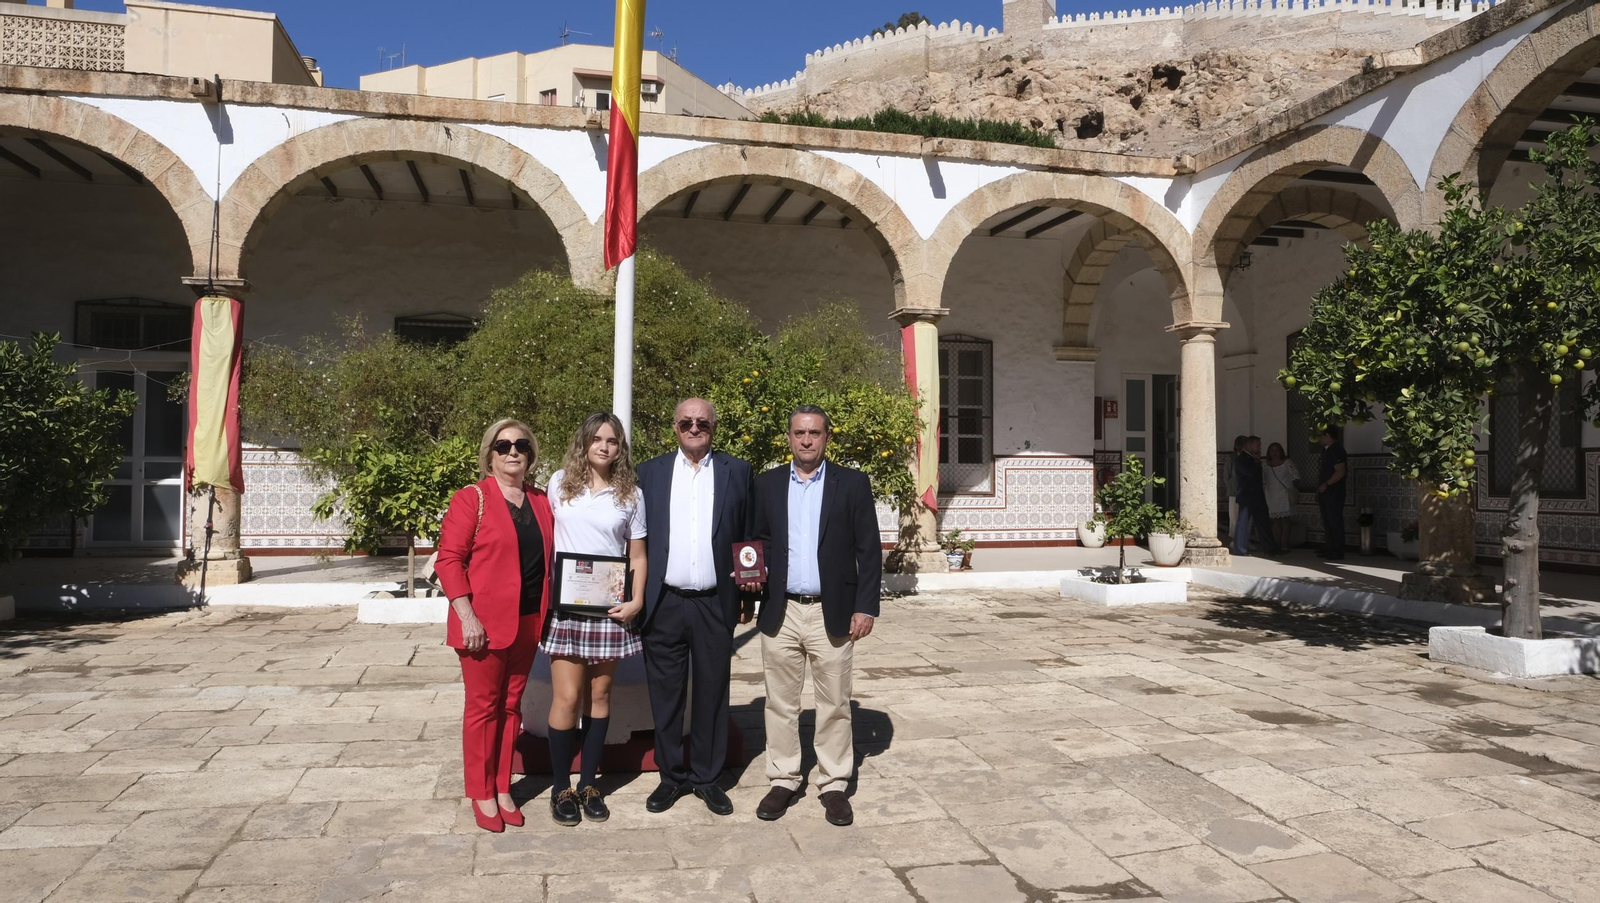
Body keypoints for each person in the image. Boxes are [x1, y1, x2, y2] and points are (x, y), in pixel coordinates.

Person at [745, 405, 882, 827]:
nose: (807, 440)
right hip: (781, 611)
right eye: (799, 432)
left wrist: (866, 606)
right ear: (788, 437)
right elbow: (756, 541)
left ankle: (834, 783)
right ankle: (784, 778)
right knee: (781, 703)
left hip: (833, 612)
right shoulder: (766, 484)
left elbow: (869, 549)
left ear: (826, 438)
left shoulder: (852, 484)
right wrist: (750, 581)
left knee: (834, 704)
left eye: (815, 433)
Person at [635, 398, 755, 817]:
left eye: (702, 421)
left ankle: (707, 777)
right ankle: (671, 777)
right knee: (665, 697)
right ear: (674, 427)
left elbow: (748, 538)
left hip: (714, 603)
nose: (694, 426)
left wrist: (748, 595)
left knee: (711, 694)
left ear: (714, 427)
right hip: (663, 602)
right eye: (686, 421)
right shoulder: (648, 473)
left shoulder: (737, 471)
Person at [435, 419, 555, 833]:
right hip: (482, 625)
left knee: (511, 707)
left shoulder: (540, 501)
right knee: (483, 708)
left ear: (531, 453)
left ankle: (503, 787)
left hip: (528, 620)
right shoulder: (472, 498)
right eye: (503, 446)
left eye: (521, 444)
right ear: (489, 454)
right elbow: (448, 559)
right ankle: (481, 792)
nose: (512, 452)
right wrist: (466, 614)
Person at [541, 412, 648, 826]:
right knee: (567, 698)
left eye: (613, 441)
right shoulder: (558, 484)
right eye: (598, 439)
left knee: (599, 699)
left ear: (620, 448)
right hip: (567, 609)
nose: (605, 446)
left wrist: (636, 600)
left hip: (609, 610)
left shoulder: (631, 495)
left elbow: (637, 555)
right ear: (583, 441)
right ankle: (560, 788)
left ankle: (588, 784)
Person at [1232, 437, 1282, 557]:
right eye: (1257, 445)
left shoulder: (1254, 460)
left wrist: (1256, 461)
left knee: (1264, 522)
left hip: (1258, 496)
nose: (1259, 448)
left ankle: (1270, 548)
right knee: (1243, 522)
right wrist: (1256, 461)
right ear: (1249, 445)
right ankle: (1240, 549)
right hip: (1247, 496)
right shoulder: (1241, 458)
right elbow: (1249, 472)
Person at [1316, 428, 1348, 560]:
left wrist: (1327, 484)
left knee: (1334, 521)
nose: (1318, 439)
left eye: (1320, 436)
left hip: (1334, 492)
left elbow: (1340, 471)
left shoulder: (1337, 450)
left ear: (1327, 435)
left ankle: (1337, 549)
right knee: (1327, 521)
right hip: (1326, 492)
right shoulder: (1326, 450)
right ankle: (1329, 547)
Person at [1264, 442, 1300, 552]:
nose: (1274, 453)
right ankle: (1277, 544)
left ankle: (1285, 545)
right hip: (1272, 495)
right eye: (1272, 450)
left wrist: (1291, 489)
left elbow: (1296, 477)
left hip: (1285, 495)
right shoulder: (1265, 466)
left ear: (1281, 451)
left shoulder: (1287, 463)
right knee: (1276, 521)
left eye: (1276, 450)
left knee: (1285, 521)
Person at [1227, 435, 1246, 543]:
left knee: (1245, 517)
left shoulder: (1248, 457)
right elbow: (1227, 475)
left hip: (1245, 491)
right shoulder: (1232, 457)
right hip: (1234, 491)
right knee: (1234, 517)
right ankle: (1234, 539)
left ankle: (1244, 540)